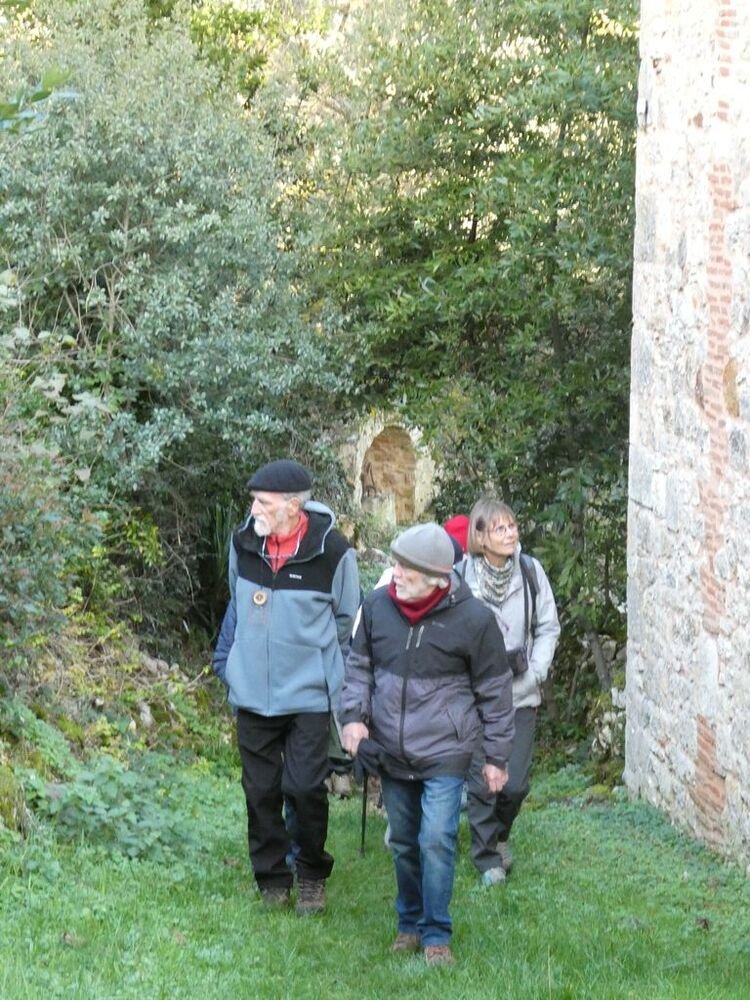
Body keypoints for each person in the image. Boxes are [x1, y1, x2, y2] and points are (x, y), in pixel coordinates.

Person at [340, 523, 514, 966]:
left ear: (438, 579)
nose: (394, 574)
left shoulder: (474, 621)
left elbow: (495, 693)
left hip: (446, 751)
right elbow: (358, 668)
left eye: (406, 568)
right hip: (390, 749)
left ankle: (436, 933)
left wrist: (496, 757)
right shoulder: (376, 607)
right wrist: (353, 718)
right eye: (395, 563)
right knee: (403, 841)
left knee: (435, 839)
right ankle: (409, 923)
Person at [212, 459, 360, 915]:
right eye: (254, 501)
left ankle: (312, 875)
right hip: (252, 692)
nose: (253, 510)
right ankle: (272, 878)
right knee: (259, 791)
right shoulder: (243, 542)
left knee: (304, 788)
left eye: (263, 502)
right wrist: (233, 664)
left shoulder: (333, 551)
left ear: (293, 507)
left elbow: (345, 619)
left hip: (308, 695)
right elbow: (237, 601)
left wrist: (316, 661)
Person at [459, 497, 560, 886]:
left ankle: (500, 835)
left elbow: (548, 626)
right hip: (474, 696)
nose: (509, 533)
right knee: (482, 781)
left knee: (514, 783)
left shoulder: (531, 572)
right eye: (499, 528)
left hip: (520, 692)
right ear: (480, 536)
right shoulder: (460, 577)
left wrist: (536, 672)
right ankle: (488, 858)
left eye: (512, 526)